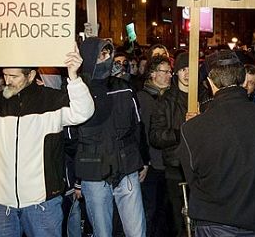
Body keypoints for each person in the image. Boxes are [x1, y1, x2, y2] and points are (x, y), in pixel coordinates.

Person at [0, 46, 95, 237]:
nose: (7, 81)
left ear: (31, 75)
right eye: (5, 75)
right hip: (2, 205)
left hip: (43, 203)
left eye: (14, 76)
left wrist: (74, 77)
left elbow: (84, 111)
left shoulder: (52, 101)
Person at [179, 50, 255, 236]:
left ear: (211, 82)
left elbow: (193, 179)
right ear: (244, 79)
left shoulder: (193, 128)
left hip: (216, 223)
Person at [77, 37, 148, 237]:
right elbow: (70, 137)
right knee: (102, 232)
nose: (106, 59)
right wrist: (75, 178)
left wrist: (143, 159)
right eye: (101, 54)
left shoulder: (124, 87)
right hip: (94, 170)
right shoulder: (77, 91)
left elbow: (138, 125)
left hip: (126, 165)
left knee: (136, 231)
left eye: (109, 54)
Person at [149, 52, 191, 236]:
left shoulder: (206, 98)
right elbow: (156, 136)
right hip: (175, 168)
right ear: (177, 73)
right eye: (183, 69)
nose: (188, 73)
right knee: (178, 221)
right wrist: (182, 131)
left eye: (191, 69)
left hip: (201, 170)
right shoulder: (166, 101)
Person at [137, 55, 173, 236]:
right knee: (151, 211)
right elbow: (141, 133)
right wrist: (145, 161)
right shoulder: (143, 98)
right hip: (152, 166)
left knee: (166, 213)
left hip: (168, 164)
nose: (169, 76)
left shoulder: (170, 98)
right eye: (164, 72)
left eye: (170, 72)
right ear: (152, 74)